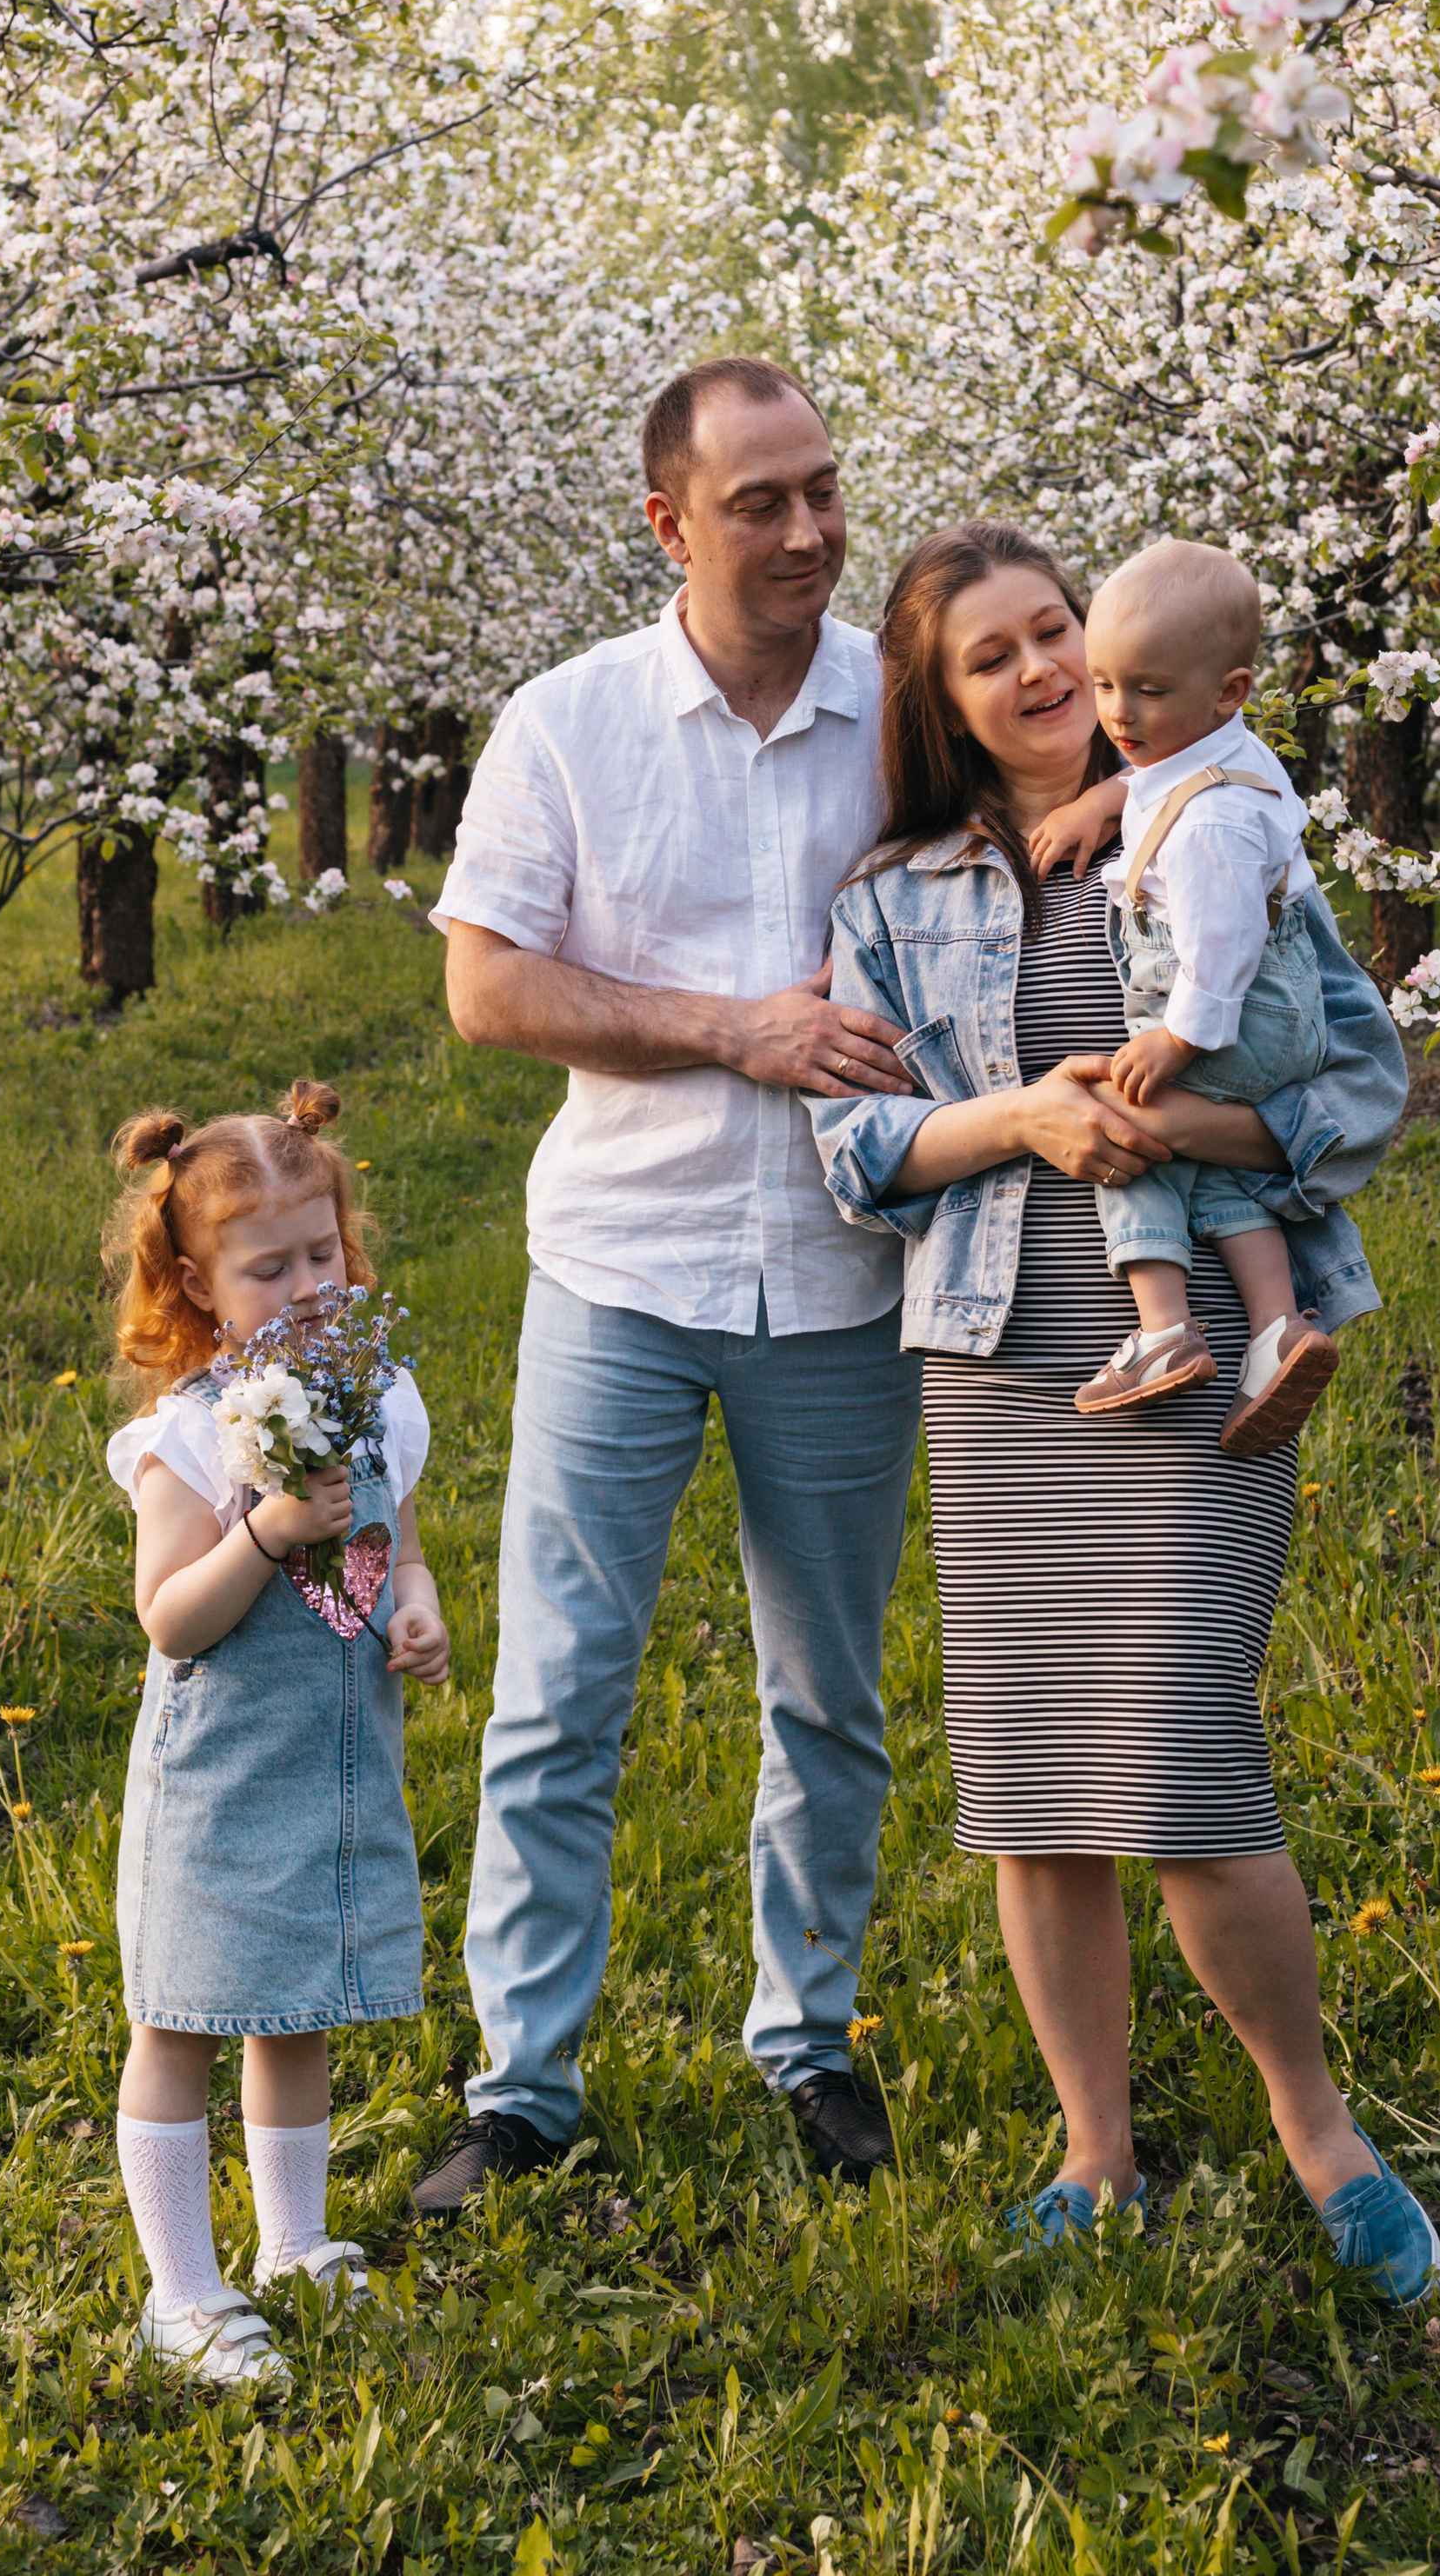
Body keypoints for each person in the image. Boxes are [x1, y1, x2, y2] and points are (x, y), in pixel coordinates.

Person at [809, 522, 1440, 2306]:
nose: (1034, 674)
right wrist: (1023, 1118)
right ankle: (1096, 2152)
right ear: (941, 702)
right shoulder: (891, 899)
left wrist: (1178, 1129)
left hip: (1208, 1361)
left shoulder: (1216, 821)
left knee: (1180, 1759)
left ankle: (1317, 2127)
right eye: (989, 656)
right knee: (1034, 1796)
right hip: (1004, 1354)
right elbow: (857, 1153)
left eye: (1050, 633)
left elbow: (1362, 1089)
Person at [412, 355, 933, 2219]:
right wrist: (736, 1030)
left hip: (848, 1278)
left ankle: (809, 2041)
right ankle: (523, 2089)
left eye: (822, 489)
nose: (808, 531)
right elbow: (486, 986)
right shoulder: (567, 724)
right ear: (666, 524)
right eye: (758, 503)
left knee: (830, 1695)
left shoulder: (911, 710)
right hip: (621, 1269)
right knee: (558, 1698)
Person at [103, 1082, 451, 2386]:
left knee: (296, 2009)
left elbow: (398, 1546)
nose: (307, 1288)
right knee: (182, 2021)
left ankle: (294, 2241)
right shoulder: (191, 1437)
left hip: (334, 1765)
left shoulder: (377, 1396)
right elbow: (171, 1620)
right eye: (269, 1269)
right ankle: (182, 2294)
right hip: (221, 1777)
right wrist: (265, 1530)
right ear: (199, 1285)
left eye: (323, 1255)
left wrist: (416, 1607)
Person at [1029, 537, 1344, 1452]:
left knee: (1126, 1132)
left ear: (1230, 690)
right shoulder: (1222, 760)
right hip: (1278, 1018)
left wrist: (1179, 1038)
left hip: (1233, 1012)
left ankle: (1162, 1328)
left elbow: (1222, 945)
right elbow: (1162, 783)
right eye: (1104, 684)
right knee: (1221, 1172)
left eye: (1148, 690)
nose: (1118, 712)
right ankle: (1276, 1328)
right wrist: (1108, 796)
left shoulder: (1209, 827)